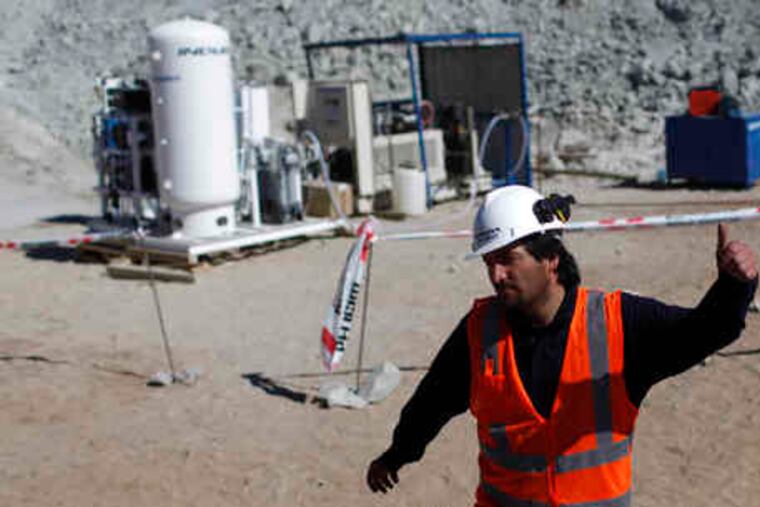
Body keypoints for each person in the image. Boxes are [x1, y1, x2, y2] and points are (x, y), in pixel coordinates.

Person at [366, 185, 757, 507]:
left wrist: (734, 286)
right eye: (488, 262)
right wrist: (397, 454)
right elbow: (432, 402)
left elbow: (703, 332)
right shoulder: (478, 331)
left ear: (550, 257)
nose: (495, 275)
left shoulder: (618, 322)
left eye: (507, 259)